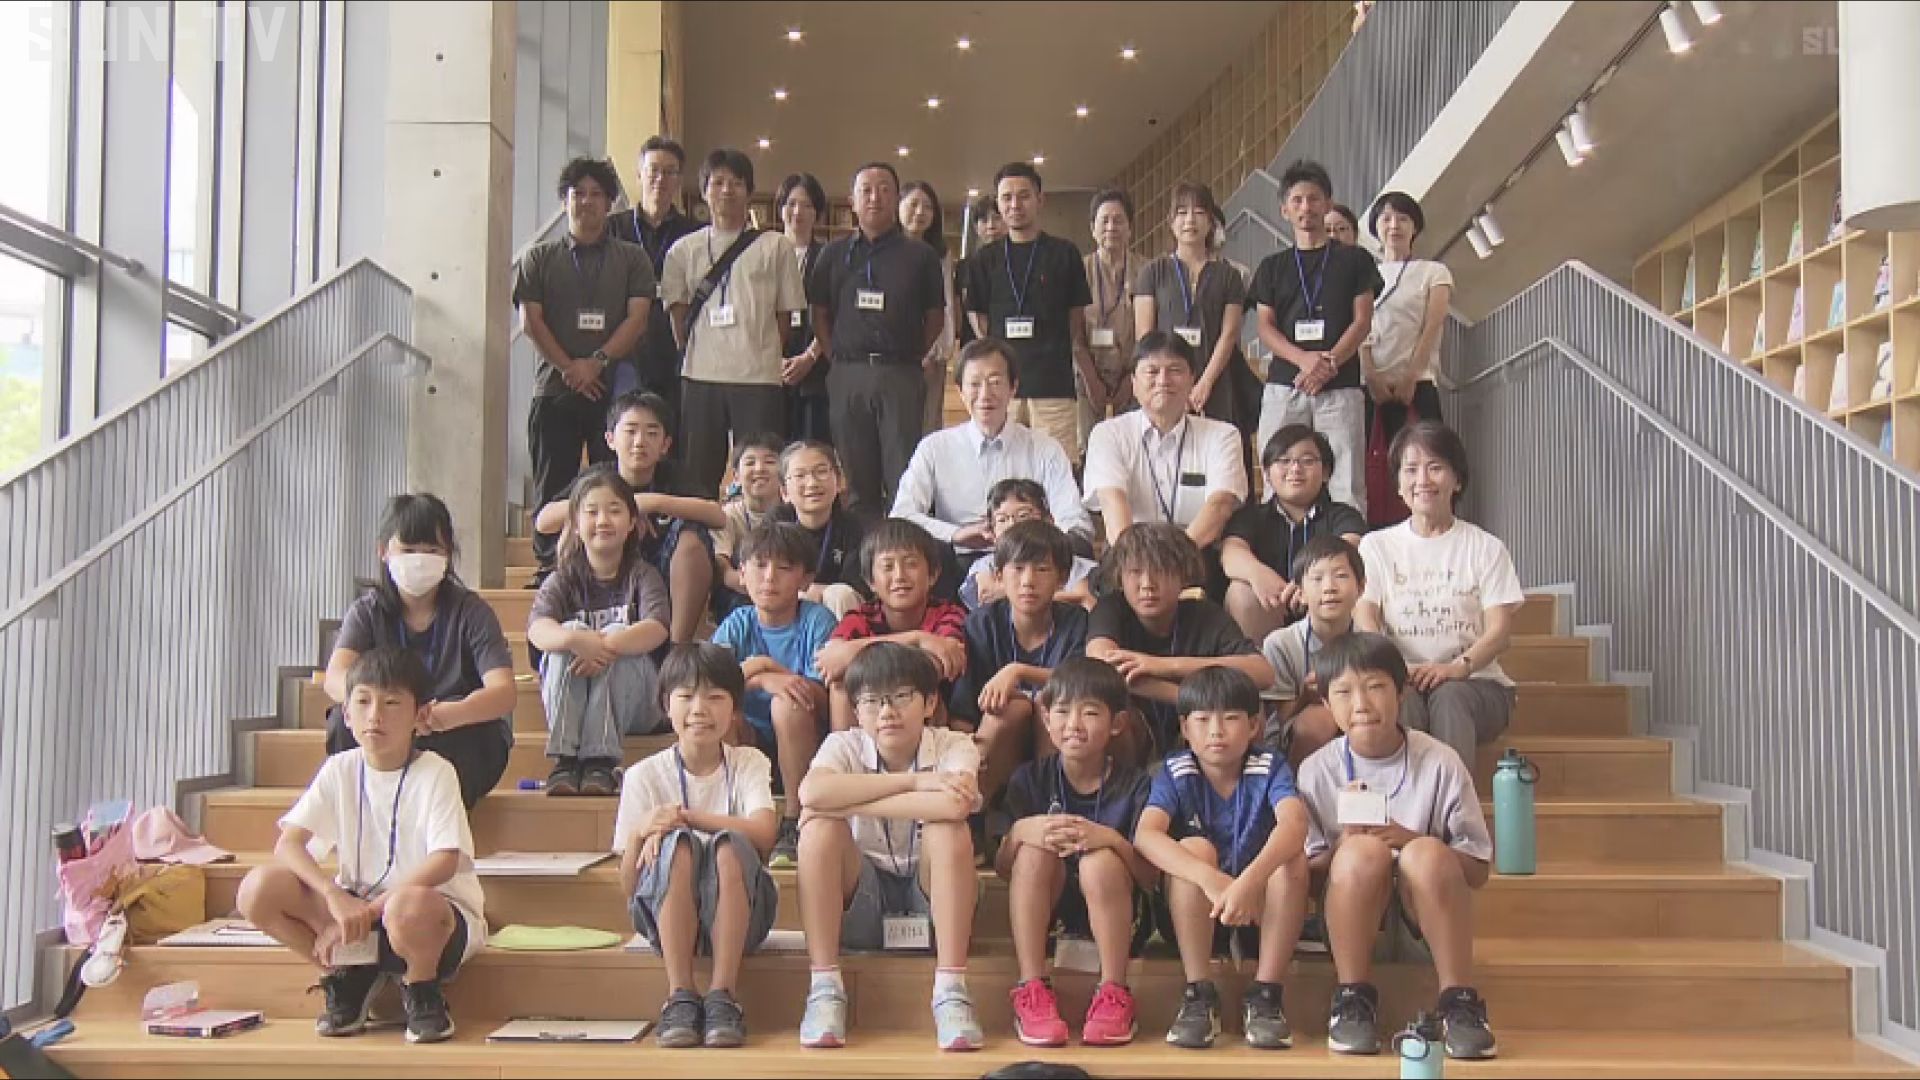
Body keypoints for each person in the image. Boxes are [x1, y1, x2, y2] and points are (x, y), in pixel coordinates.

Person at [238, 648, 485, 1045]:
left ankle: (421, 988)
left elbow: (444, 861)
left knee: (409, 906)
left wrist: (368, 912)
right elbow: (289, 844)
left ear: (421, 716)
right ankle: (346, 974)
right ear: (347, 715)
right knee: (257, 889)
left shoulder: (436, 772)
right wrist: (332, 895)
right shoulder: (340, 768)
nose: (375, 716)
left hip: (428, 918)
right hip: (356, 913)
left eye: (392, 703)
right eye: (364, 701)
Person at [1298, 632, 1497, 1059]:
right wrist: (1344, 845)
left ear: (1401, 692)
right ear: (1326, 704)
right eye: (1344, 693)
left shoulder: (1440, 761)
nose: (1361, 704)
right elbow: (1308, 878)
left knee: (1426, 852)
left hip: (1423, 922)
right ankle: (1352, 999)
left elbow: (1478, 869)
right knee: (1360, 853)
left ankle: (1458, 1002)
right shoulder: (1316, 770)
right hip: (1348, 918)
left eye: (1375, 687)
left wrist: (1412, 841)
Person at [796, 643, 984, 1051]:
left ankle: (951, 992)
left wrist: (849, 799)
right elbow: (810, 794)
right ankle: (825, 989)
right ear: (856, 710)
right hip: (863, 902)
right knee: (818, 830)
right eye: (871, 701)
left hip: (930, 901)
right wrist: (914, 782)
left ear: (930, 702)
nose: (886, 712)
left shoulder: (954, 745)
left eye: (900, 696)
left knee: (949, 830)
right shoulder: (842, 745)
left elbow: (953, 805)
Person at [1133, 667, 1310, 1050]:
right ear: (1185, 727)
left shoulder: (1269, 765)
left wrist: (1250, 882)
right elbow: (1146, 835)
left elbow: (1295, 824)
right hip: (1196, 913)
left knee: (1291, 859)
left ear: (1253, 726)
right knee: (1194, 848)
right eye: (1202, 720)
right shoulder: (1176, 770)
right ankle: (1198, 994)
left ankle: (1266, 994)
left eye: (1230, 718)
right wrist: (1210, 879)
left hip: (1260, 911)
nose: (1216, 731)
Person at [614, 644, 779, 1049]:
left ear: (735, 709)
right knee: (679, 847)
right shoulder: (642, 775)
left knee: (728, 845)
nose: (699, 709)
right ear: (665, 704)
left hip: (744, 916)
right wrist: (638, 834)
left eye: (715, 697)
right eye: (686, 696)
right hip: (663, 918)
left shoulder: (748, 762)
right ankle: (680, 995)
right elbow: (629, 887)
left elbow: (764, 833)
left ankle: (723, 995)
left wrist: (686, 817)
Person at [997, 657, 1155, 1048]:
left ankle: (1114, 991)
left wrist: (1111, 839)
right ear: (1046, 718)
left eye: (1090, 713)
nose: (1074, 724)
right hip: (1047, 916)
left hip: (1119, 916)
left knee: (1099, 862)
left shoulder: (1136, 785)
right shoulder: (1029, 779)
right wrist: (1019, 832)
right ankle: (1032, 989)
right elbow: (1002, 869)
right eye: (1063, 711)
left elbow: (1152, 877)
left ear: (1117, 723)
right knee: (1032, 850)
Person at [322, 494, 515, 810]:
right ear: (383, 551)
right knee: (342, 724)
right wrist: (389, 710)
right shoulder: (367, 612)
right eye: (409, 550)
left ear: (448, 555)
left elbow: (503, 692)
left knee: (474, 739)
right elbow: (335, 678)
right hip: (385, 725)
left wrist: (452, 714)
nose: (420, 559)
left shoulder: (472, 612)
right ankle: (371, 811)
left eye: (432, 550)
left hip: (452, 728)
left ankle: (434, 818)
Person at [514, 157, 656, 570]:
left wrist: (595, 363)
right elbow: (530, 322)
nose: (587, 202)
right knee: (552, 482)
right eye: (578, 194)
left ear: (610, 203)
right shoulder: (538, 258)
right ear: (564, 201)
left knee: (613, 483)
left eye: (597, 194)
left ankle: (616, 564)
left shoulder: (632, 258)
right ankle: (550, 567)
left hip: (613, 391)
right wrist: (570, 368)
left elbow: (638, 319)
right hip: (554, 388)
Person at [1355, 422, 1523, 770]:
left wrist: (1456, 668)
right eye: (1411, 469)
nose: (1422, 480)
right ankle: (1407, 802)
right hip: (1403, 677)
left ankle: (1453, 803)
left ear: (1457, 479)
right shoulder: (1376, 546)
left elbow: (1499, 632)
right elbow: (1364, 615)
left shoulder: (1486, 548)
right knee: (1401, 701)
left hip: (1477, 683)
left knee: (1449, 697)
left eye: (1435, 467)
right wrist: (1395, 667)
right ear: (1398, 483)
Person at [662, 148, 805, 497]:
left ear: (750, 191)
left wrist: (763, 352)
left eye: (737, 183)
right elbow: (678, 314)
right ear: (704, 191)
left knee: (762, 471)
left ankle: (763, 531)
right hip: (700, 376)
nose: (727, 190)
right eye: (718, 182)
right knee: (697, 474)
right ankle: (699, 530)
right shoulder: (682, 250)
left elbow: (785, 316)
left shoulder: (776, 246)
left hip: (758, 378)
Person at [811, 162, 950, 512]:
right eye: (867, 190)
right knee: (856, 477)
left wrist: (911, 353)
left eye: (885, 189)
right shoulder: (832, 254)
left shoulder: (921, 256)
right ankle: (864, 544)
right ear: (852, 201)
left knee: (903, 472)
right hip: (848, 373)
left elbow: (935, 315)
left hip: (900, 373)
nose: (876, 197)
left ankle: (904, 542)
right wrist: (834, 357)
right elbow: (820, 312)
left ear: (896, 198)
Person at [532, 391, 722, 644]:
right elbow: (544, 522)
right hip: (603, 566)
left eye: (651, 433)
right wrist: (614, 505)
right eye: (630, 431)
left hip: (660, 566)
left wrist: (652, 502)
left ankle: (677, 648)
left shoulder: (673, 475)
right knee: (575, 526)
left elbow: (718, 516)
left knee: (691, 538)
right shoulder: (598, 477)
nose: (640, 442)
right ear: (610, 439)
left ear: (665, 445)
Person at [527, 467, 671, 796]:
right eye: (592, 512)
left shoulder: (643, 575)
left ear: (632, 522)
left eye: (614, 510)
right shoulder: (563, 578)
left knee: (620, 631)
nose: (603, 520)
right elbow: (538, 629)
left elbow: (657, 628)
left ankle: (601, 761)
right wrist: (577, 640)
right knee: (568, 632)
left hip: (638, 704)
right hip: (576, 697)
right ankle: (565, 759)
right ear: (576, 525)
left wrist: (607, 645)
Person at [1249, 159, 1382, 512]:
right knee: (1277, 473)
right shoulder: (1272, 267)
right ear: (1284, 210)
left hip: (1340, 384)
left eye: (1313, 198)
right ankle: (1279, 543)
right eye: (1297, 200)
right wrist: (1305, 361)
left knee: (1345, 481)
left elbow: (1362, 321)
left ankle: (1346, 545)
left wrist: (1328, 364)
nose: (1305, 207)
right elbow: (1265, 326)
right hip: (1285, 383)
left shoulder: (1355, 260)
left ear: (1327, 204)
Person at [892, 338, 1093, 566]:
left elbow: (1075, 521)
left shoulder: (1045, 448)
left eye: (995, 382)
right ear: (960, 391)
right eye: (974, 384)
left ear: (1013, 387)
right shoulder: (934, 448)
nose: (985, 394)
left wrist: (1038, 541)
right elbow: (902, 515)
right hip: (959, 561)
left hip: (1029, 561)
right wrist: (956, 534)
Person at [1085, 523, 1273, 761]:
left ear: (1183, 576)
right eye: (1135, 571)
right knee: (1107, 710)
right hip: (1139, 733)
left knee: (1246, 708)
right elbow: (1103, 665)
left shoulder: (1204, 614)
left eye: (1160, 570)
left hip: (1202, 733)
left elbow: (1263, 673)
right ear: (1120, 577)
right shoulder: (1111, 609)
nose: (1147, 584)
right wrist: (1190, 698)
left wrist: (1162, 665)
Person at [710, 522, 838, 868]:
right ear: (742, 572)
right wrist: (761, 674)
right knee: (720, 712)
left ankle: (795, 819)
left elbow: (824, 697)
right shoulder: (737, 622)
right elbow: (708, 685)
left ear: (805, 580)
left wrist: (771, 677)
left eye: (784, 568)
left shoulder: (817, 621)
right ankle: (733, 817)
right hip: (750, 738)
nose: (769, 577)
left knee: (788, 703)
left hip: (805, 742)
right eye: (760, 565)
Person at [949, 520, 1092, 809]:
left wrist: (1018, 670)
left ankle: (1054, 805)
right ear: (999, 576)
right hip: (999, 739)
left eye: (1042, 569)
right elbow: (963, 708)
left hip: (1059, 738)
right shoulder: (982, 623)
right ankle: (974, 810)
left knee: (1050, 703)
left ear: (1062, 578)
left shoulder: (1077, 621)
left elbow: (1082, 681)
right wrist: (959, 758)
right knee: (1011, 708)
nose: (1028, 581)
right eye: (1018, 568)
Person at [964, 163, 1099, 464]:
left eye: (1024, 196)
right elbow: (979, 318)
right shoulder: (984, 260)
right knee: (1001, 468)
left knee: (1057, 467)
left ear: (1040, 200)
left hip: (1053, 384)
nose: (1015, 204)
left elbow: (1075, 318)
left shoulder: (1064, 253)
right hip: (1001, 387)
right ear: (998, 203)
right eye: (1007, 197)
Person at [1081, 332, 1247, 573]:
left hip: (1195, 557)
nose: (1163, 380)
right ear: (1133, 383)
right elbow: (1112, 502)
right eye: (1152, 371)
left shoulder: (1223, 435)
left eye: (1175, 370)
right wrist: (1140, 563)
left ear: (1192, 380)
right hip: (1128, 559)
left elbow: (1219, 505)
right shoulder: (1108, 434)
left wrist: (1170, 561)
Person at [816, 519, 968, 733]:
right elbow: (831, 662)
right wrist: (917, 639)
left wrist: (855, 651)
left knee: (916, 687)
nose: (899, 576)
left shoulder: (949, 614)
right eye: (887, 566)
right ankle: (849, 753)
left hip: (929, 723)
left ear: (932, 575)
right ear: (871, 581)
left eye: (911, 564)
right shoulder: (860, 617)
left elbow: (937, 665)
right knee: (840, 683)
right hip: (869, 719)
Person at [1220, 425, 1367, 641]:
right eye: (1284, 461)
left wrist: (1307, 587)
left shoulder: (1344, 515)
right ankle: (1257, 661)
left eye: (1307, 461)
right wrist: (1258, 574)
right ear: (1267, 473)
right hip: (1270, 607)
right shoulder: (1251, 517)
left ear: (1326, 472)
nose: (1295, 469)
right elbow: (1231, 552)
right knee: (1240, 593)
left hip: (1324, 607)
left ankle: (1338, 659)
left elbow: (1351, 548)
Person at [1134, 183, 1248, 433]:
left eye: (1199, 212)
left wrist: (1204, 383)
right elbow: (1145, 336)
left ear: (1210, 221)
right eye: (1182, 212)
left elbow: (1229, 334)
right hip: (1166, 384)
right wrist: (1173, 384)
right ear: (1171, 221)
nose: (1190, 220)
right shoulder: (1152, 272)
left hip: (1215, 382)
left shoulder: (1229, 275)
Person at [1261, 534, 1371, 769]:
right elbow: (1281, 715)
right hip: (1292, 735)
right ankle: (1298, 788)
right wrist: (1306, 696)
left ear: (1361, 587)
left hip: (1359, 718)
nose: (1329, 588)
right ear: (1300, 593)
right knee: (1319, 719)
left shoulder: (1370, 645)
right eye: (1317, 579)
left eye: (1341, 576)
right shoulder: (1280, 644)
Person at [608, 137, 702, 408]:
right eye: (654, 170)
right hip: (625, 351)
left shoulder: (694, 234)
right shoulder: (613, 229)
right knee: (628, 423)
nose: (661, 179)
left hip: (678, 350)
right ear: (639, 174)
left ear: (679, 180)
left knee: (674, 426)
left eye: (670, 172)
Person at [1362, 192, 1453, 459]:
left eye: (1403, 219)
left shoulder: (1433, 271)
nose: (1394, 226)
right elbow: (1358, 327)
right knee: (1366, 464)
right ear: (1375, 227)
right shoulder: (1362, 274)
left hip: (1418, 382)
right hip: (1369, 385)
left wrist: (1410, 377)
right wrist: (1370, 376)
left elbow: (1433, 325)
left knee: (1431, 457)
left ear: (1415, 227)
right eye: (1386, 218)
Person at [957, 479, 1099, 611]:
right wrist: (1071, 597)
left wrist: (1008, 594)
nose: (1012, 525)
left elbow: (1090, 603)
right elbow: (987, 596)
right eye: (1002, 519)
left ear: (1049, 521)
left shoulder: (1085, 570)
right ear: (992, 531)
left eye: (1023, 515)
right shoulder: (985, 566)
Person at [771, 440, 869, 618]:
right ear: (784, 492)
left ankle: (843, 638)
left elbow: (858, 584)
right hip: (789, 601)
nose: (812, 483)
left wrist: (819, 590)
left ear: (839, 481)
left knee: (840, 594)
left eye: (821, 472)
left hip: (837, 607)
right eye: (800, 475)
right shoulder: (775, 524)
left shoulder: (854, 527)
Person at [776, 173, 834, 443]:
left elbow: (835, 314)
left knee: (813, 446)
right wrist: (774, 357)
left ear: (817, 214)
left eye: (807, 205)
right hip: (771, 368)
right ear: (780, 209)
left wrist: (810, 357)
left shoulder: (828, 257)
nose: (797, 212)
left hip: (816, 368)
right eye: (791, 203)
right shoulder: (765, 254)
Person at [902, 181, 960, 434]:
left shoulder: (940, 253)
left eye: (927, 207)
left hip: (933, 353)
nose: (920, 212)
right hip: (895, 356)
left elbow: (945, 302)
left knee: (929, 422)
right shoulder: (885, 249)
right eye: (913, 204)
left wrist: (938, 348)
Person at [1081, 189, 1138, 450]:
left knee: (1131, 447)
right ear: (1092, 228)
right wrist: (1091, 379)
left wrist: (1132, 378)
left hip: (1133, 374)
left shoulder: (1146, 270)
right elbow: (1073, 333)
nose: (1111, 227)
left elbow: (1150, 331)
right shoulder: (1079, 270)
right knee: (1089, 448)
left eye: (1118, 220)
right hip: (1086, 373)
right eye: (1104, 221)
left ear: (1130, 228)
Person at [712, 433, 786, 616]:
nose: (759, 469)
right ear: (736, 476)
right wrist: (757, 585)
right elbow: (724, 569)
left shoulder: (794, 513)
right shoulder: (727, 515)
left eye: (770, 462)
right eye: (750, 462)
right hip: (741, 592)